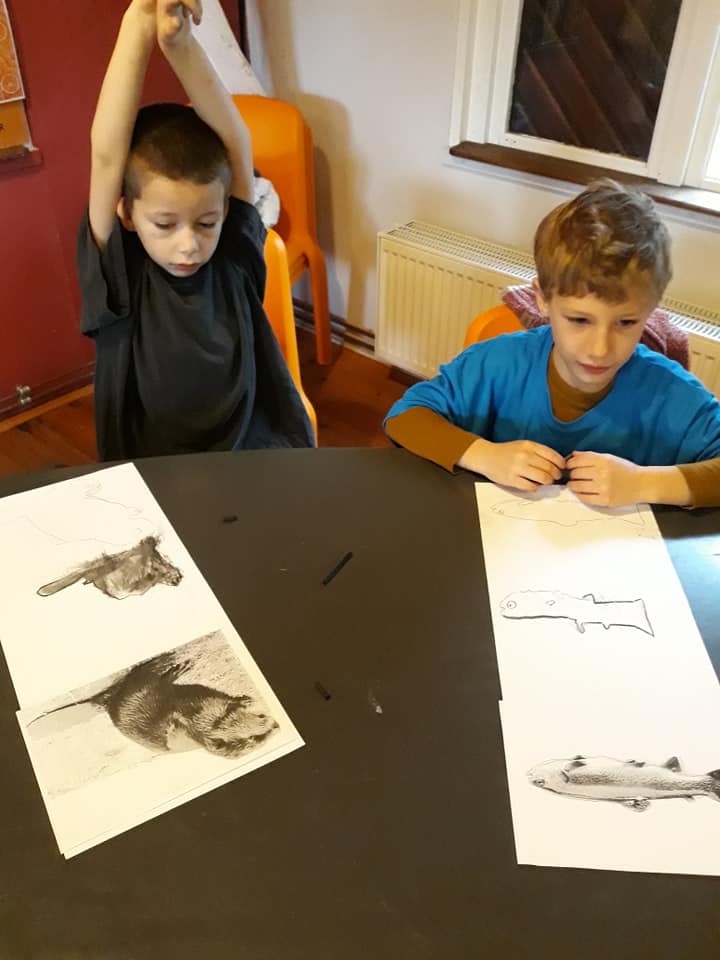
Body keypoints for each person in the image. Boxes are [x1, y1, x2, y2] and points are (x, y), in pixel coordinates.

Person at [384, 180, 720, 508]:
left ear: (652, 309)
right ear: (542, 299)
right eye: (579, 320)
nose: (600, 349)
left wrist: (642, 482)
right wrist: (486, 455)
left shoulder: (669, 392)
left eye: (626, 322)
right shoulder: (497, 364)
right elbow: (405, 416)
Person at [78, 0, 314, 460]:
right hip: (154, 469)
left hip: (249, 456)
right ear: (127, 215)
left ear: (225, 210)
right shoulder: (120, 280)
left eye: (206, 223)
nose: (189, 245)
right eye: (164, 224)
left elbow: (236, 142)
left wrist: (180, 42)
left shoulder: (234, 258)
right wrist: (138, 23)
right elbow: (106, 156)